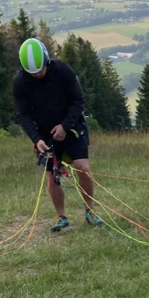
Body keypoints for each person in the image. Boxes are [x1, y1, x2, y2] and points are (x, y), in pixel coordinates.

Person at [13, 38, 102, 232]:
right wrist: (37, 139)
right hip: (46, 135)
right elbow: (23, 114)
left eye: (40, 70)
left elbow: (78, 101)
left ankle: (90, 210)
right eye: (32, 72)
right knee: (53, 176)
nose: (37, 75)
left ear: (46, 60)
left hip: (72, 127)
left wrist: (64, 126)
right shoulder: (20, 82)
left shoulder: (62, 71)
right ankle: (62, 217)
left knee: (82, 168)